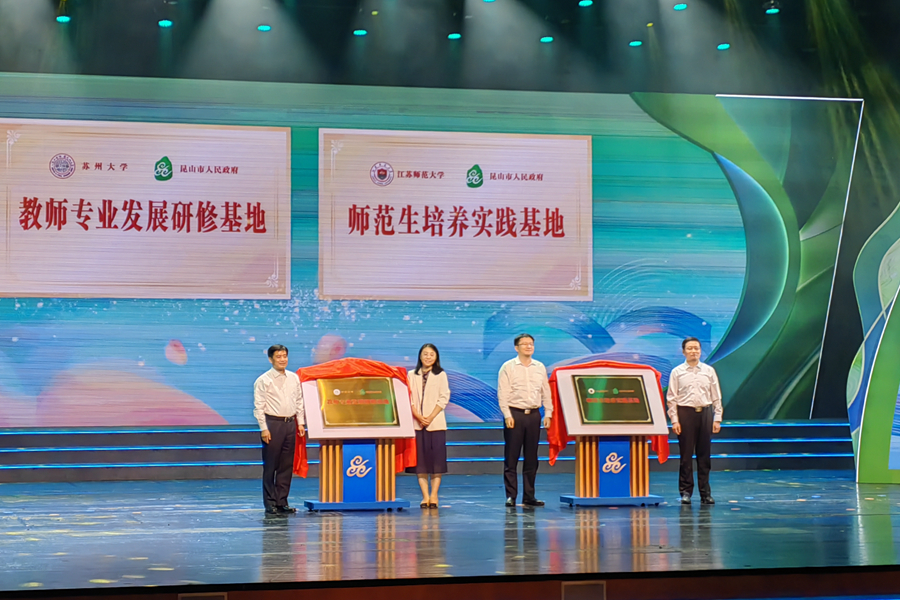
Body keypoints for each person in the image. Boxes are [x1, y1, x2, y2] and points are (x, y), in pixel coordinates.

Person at [498, 333, 552, 507]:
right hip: (515, 414)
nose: (529, 346)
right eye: (525, 344)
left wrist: (548, 413)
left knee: (531, 457)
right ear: (517, 348)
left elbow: (546, 391)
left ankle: (529, 495)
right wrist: (507, 414)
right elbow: (503, 393)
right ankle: (511, 496)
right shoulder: (508, 367)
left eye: (531, 344)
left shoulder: (539, 367)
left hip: (534, 415)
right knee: (512, 456)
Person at [666, 336, 723, 505]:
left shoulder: (708, 371)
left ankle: (705, 493)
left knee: (704, 455)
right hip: (685, 414)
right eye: (690, 348)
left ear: (700, 351)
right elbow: (671, 398)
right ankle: (686, 492)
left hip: (705, 413)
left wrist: (717, 418)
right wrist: (675, 420)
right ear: (683, 351)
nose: (693, 351)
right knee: (686, 456)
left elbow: (716, 396)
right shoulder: (677, 372)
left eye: (696, 348)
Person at [253, 344, 305, 515]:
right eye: (278, 357)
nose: (282, 359)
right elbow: (259, 407)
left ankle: (282, 501)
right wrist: (264, 428)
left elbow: (299, 401)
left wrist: (300, 423)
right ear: (271, 359)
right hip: (273, 424)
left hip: (290, 423)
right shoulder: (263, 380)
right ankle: (270, 503)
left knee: (286, 465)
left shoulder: (293, 378)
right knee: (271, 465)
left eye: (284, 356)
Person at [406, 343, 451, 508]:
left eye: (431, 354)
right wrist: (418, 416)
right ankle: (425, 496)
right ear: (420, 356)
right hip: (417, 424)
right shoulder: (412, 375)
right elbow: (409, 398)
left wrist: (430, 417)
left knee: (436, 462)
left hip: (435, 423)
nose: (428, 357)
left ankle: (434, 496)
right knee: (421, 463)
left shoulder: (441, 375)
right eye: (425, 354)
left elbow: (444, 397)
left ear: (436, 357)